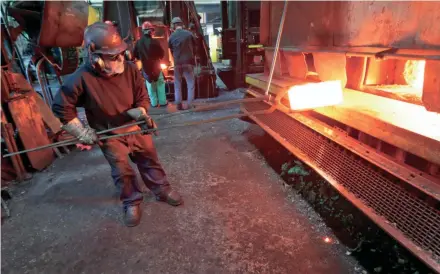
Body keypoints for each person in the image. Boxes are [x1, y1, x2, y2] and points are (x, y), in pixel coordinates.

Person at [52, 22, 182, 227]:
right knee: (122, 171)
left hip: (136, 128)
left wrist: (141, 111)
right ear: (95, 56)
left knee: (149, 160)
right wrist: (81, 131)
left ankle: (162, 189)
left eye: (121, 53)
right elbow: (61, 107)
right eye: (112, 56)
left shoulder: (130, 70)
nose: (120, 58)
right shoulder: (81, 78)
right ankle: (132, 201)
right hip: (109, 134)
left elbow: (142, 96)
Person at [134, 21, 168, 108]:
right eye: (152, 30)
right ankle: (163, 102)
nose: (153, 32)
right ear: (150, 31)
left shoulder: (138, 43)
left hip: (146, 69)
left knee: (150, 87)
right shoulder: (155, 42)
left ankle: (154, 103)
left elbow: (135, 55)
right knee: (160, 85)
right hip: (156, 67)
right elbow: (162, 54)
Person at [168, 17, 196, 110]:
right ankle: (190, 104)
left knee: (177, 84)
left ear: (174, 25)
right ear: (181, 24)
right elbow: (195, 46)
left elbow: (170, 49)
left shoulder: (171, 36)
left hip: (177, 63)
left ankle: (179, 105)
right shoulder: (189, 34)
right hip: (188, 62)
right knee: (190, 83)